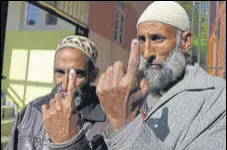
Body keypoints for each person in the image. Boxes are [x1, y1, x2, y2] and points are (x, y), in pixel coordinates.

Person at [96, 1, 226, 150]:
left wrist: (124, 127)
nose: (147, 53)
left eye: (158, 38)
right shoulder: (135, 91)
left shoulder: (217, 98)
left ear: (185, 42)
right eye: (142, 40)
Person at [6, 35, 108, 149]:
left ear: (93, 75)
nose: (65, 84)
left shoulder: (108, 122)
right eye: (60, 72)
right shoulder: (31, 111)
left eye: (78, 74)